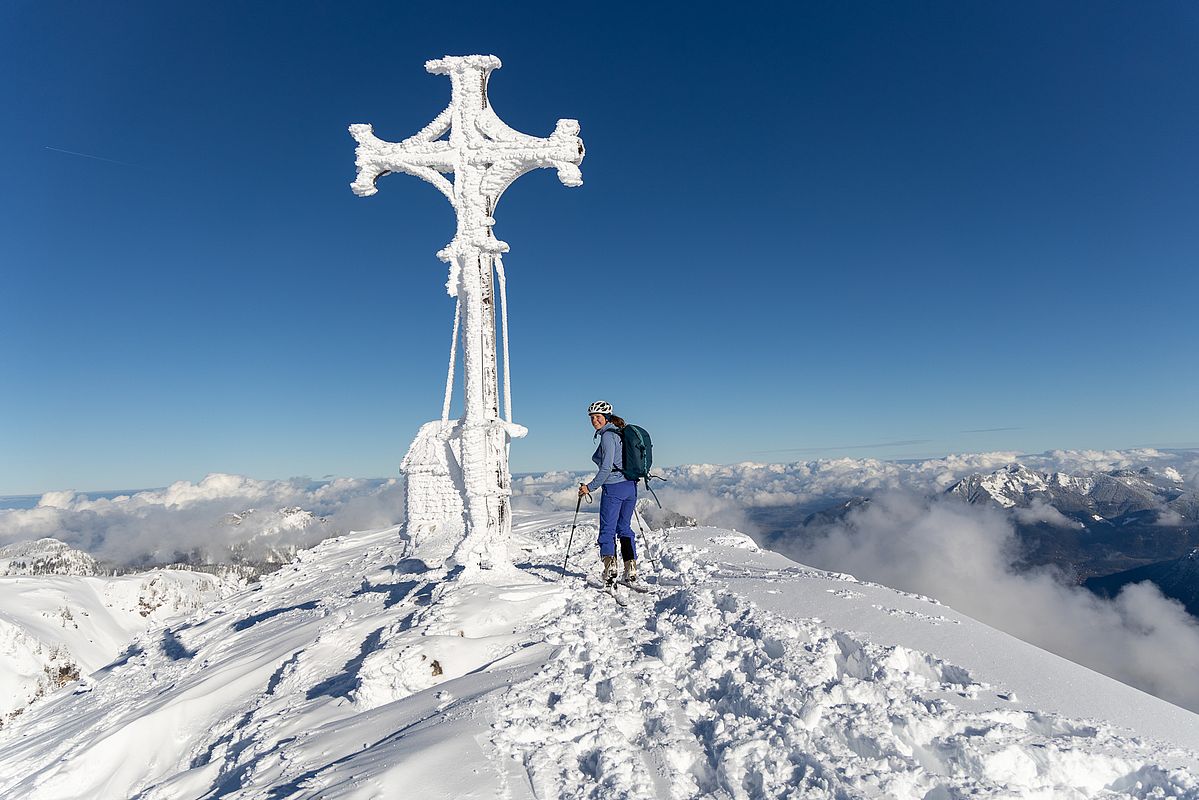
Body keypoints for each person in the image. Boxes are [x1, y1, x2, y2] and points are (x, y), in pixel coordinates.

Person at [579, 400, 641, 588]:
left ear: (606, 418)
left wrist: (589, 487)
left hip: (614, 488)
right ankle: (630, 568)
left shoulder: (607, 436)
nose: (594, 421)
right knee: (624, 528)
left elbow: (606, 468)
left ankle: (610, 570)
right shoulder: (620, 433)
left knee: (607, 530)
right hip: (630, 486)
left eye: (598, 417)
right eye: (592, 418)